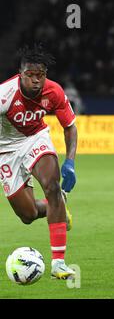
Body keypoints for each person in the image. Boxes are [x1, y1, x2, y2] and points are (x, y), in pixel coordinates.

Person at [0, 45, 77, 279]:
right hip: (5, 150)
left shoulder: (53, 92)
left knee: (52, 186)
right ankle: (59, 204)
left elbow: (70, 127)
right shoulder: (4, 95)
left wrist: (70, 162)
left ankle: (58, 264)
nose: (36, 81)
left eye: (40, 75)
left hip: (35, 139)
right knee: (28, 214)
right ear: (20, 74)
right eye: (30, 75)